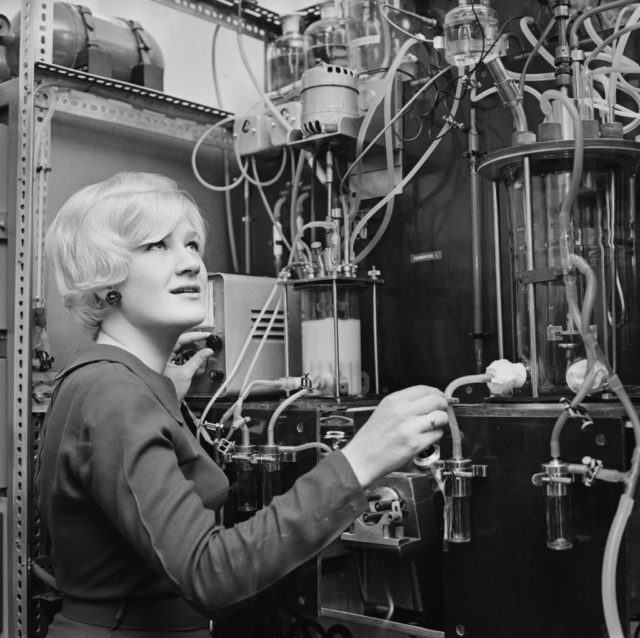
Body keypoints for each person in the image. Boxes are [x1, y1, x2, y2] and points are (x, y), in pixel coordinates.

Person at [36, 171, 447, 637]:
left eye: (191, 244)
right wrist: (362, 460)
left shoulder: (117, 383)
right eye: (156, 245)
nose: (190, 262)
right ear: (102, 275)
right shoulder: (113, 393)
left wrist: (161, 388)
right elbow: (208, 573)